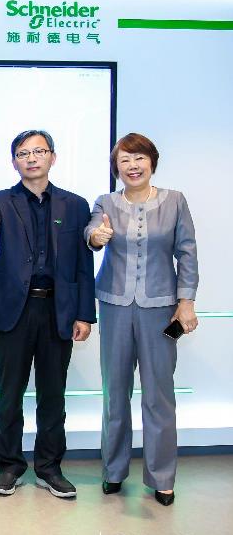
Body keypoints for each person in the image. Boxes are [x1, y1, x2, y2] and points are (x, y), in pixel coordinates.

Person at [0, 129, 96, 499]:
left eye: (39, 151)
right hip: (15, 309)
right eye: (23, 153)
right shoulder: (0, 201)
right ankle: (10, 466)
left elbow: (83, 264)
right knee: (9, 393)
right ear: (14, 162)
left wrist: (84, 314)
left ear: (52, 157)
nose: (31, 158)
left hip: (59, 308)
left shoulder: (75, 205)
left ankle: (49, 468)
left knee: (53, 395)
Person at [86, 133, 198, 507]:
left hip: (162, 308)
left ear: (152, 161)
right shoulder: (106, 202)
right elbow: (91, 232)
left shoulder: (175, 201)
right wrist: (97, 236)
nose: (132, 166)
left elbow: (187, 253)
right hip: (115, 306)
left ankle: (162, 477)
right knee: (114, 393)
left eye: (139, 158)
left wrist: (186, 302)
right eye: (124, 160)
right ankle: (113, 471)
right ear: (116, 168)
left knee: (158, 396)